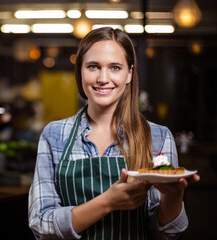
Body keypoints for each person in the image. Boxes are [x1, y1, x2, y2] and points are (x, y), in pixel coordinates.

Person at [28, 27, 200, 240]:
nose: (103, 78)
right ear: (80, 70)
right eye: (93, 66)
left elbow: (163, 234)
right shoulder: (54, 135)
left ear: (129, 74)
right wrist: (107, 202)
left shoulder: (158, 137)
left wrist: (174, 197)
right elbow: (41, 224)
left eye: (115, 68)